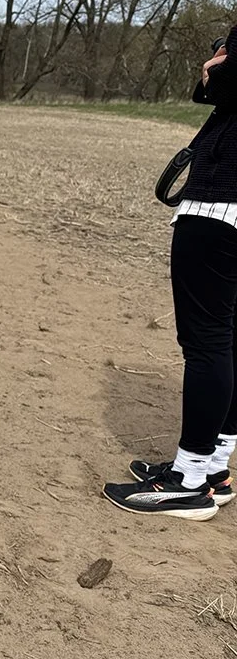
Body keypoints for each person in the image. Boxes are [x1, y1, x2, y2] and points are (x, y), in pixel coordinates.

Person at [105, 28, 237, 520]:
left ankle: (189, 478)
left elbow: (221, 85)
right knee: (227, 337)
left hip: (223, 201)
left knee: (207, 341)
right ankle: (213, 468)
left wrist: (216, 69)